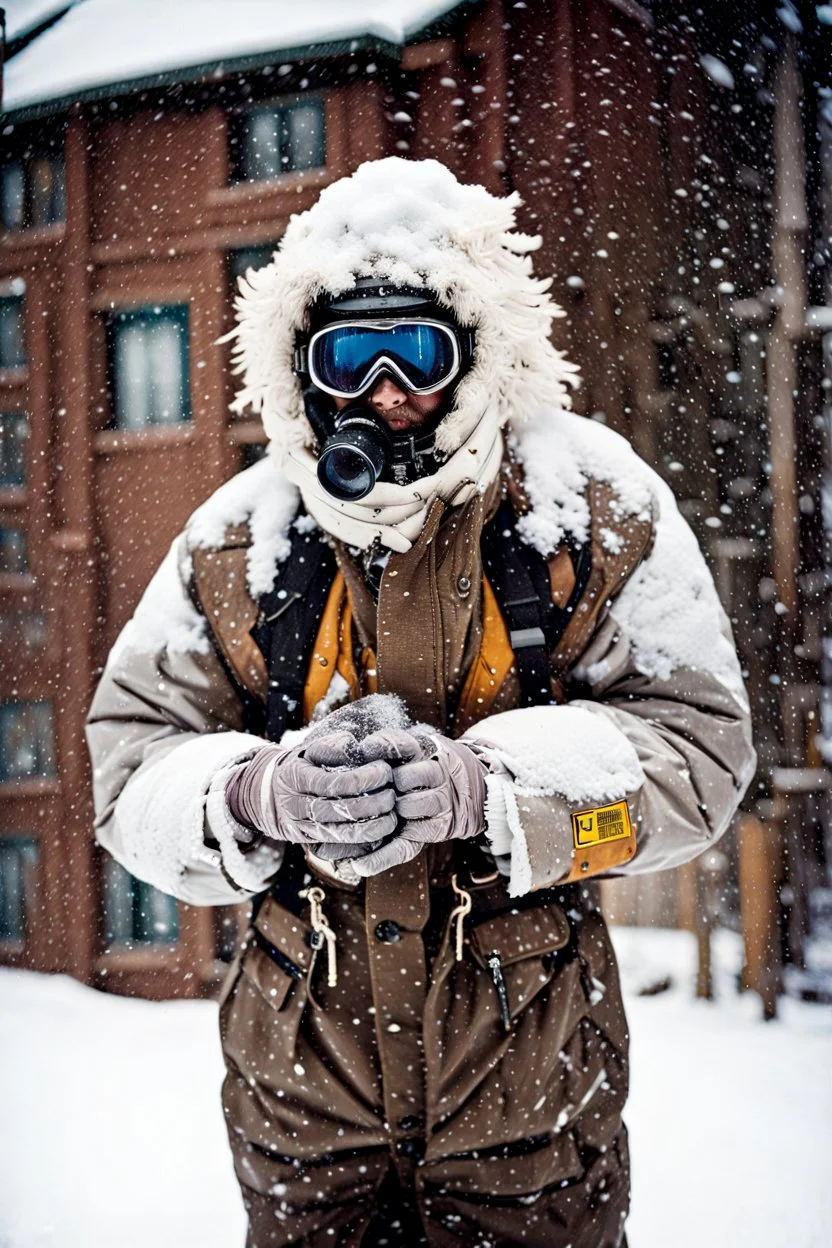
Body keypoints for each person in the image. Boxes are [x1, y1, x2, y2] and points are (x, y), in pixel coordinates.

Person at [86, 157, 755, 1247]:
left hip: (533, 1099)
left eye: (419, 354)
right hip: (300, 1103)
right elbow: (126, 766)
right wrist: (253, 794)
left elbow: (703, 754)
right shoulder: (233, 541)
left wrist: (492, 791)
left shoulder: (595, 508)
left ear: (478, 354)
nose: (385, 391)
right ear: (303, 375)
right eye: (349, 356)